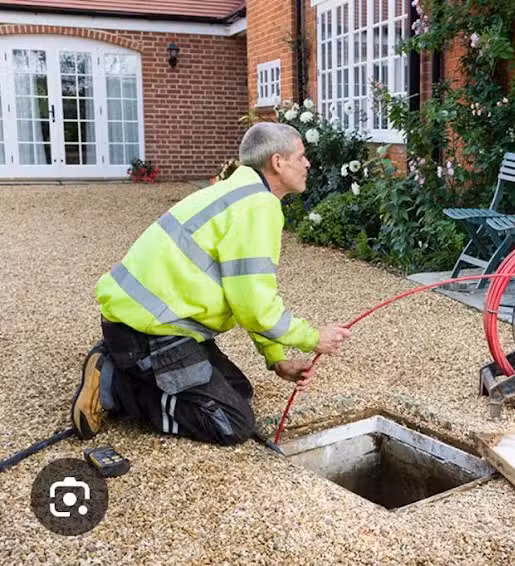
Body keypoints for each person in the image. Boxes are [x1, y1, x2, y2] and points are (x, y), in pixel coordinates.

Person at [70, 123, 351, 445]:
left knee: (238, 392)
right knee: (231, 423)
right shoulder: (258, 207)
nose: (307, 164)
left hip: (148, 322)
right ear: (277, 162)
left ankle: (121, 361)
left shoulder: (238, 194)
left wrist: (276, 358)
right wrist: (312, 338)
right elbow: (255, 308)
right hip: (148, 332)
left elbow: (245, 295)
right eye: (301, 156)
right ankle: (114, 384)